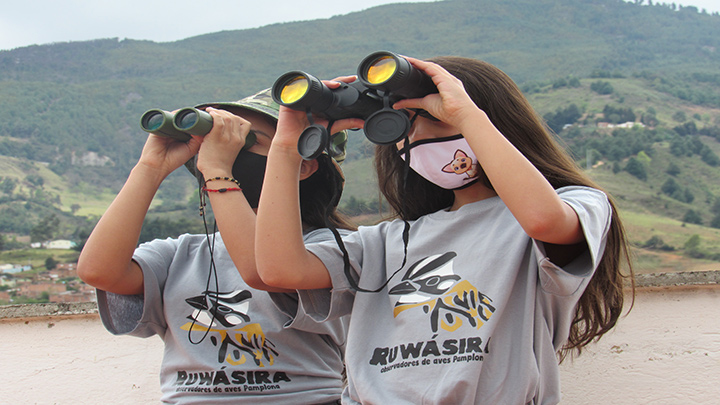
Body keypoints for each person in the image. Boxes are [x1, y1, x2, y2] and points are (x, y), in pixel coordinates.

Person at [254, 56, 635, 404]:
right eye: (407, 126)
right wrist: (287, 146)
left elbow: (542, 220)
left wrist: (466, 115)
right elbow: (278, 270)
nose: (419, 137)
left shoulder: (571, 206)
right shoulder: (385, 243)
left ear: (489, 118)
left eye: (435, 118)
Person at [76, 88, 353, 404]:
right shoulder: (181, 255)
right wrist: (150, 168)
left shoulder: (328, 251)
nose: (229, 150)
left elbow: (263, 271)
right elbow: (98, 271)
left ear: (303, 165)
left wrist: (220, 172)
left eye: (249, 140)